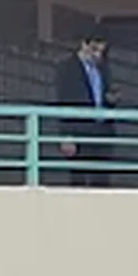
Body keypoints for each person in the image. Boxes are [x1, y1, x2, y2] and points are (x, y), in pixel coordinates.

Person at [50, 27, 116, 186]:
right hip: (79, 131)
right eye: (94, 49)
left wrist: (110, 99)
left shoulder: (103, 67)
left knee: (101, 181)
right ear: (83, 44)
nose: (97, 55)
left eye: (101, 51)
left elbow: (107, 92)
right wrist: (66, 136)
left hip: (102, 132)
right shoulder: (66, 68)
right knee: (79, 180)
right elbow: (62, 102)